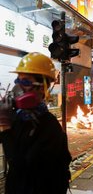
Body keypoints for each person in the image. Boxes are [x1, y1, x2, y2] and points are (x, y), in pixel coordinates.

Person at [0, 52, 72, 194]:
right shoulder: (18, 116)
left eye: (25, 82)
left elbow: (22, 167)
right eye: (17, 81)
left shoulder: (50, 128)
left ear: (42, 87)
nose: (18, 88)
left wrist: (5, 127)